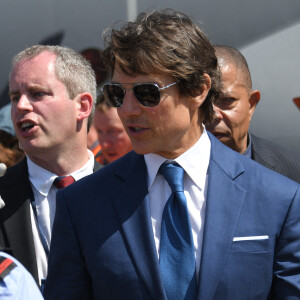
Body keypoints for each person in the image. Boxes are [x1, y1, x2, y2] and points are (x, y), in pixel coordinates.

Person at [45, 9, 300, 299]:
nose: (127, 111)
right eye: (117, 93)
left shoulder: (278, 200)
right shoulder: (81, 204)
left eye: (147, 93)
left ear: (199, 90)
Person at [0, 45, 102, 288]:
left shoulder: (131, 195)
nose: (21, 106)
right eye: (15, 97)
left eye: (37, 93)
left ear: (83, 106)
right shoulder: (2, 195)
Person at [206, 45, 300, 183]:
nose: (212, 115)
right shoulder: (170, 174)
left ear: (251, 103)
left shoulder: (292, 172)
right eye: (202, 103)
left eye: (227, 100)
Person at [93, 93, 132, 164]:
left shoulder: (154, 165)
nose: (105, 144)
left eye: (112, 131)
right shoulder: (92, 170)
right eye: (99, 131)